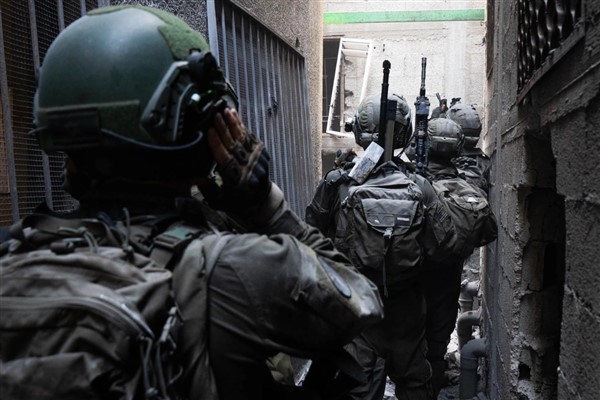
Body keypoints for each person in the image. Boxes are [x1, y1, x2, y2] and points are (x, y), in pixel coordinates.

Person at [1, 6, 384, 400]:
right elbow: (360, 301)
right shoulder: (230, 270)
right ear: (196, 130)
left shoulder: (12, 253)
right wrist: (263, 206)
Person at [306, 93, 445, 400]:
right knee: (414, 382)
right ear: (406, 133)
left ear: (359, 131)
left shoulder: (337, 183)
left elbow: (311, 235)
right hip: (406, 305)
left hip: (354, 303)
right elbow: (442, 243)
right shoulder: (419, 185)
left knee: (358, 384)